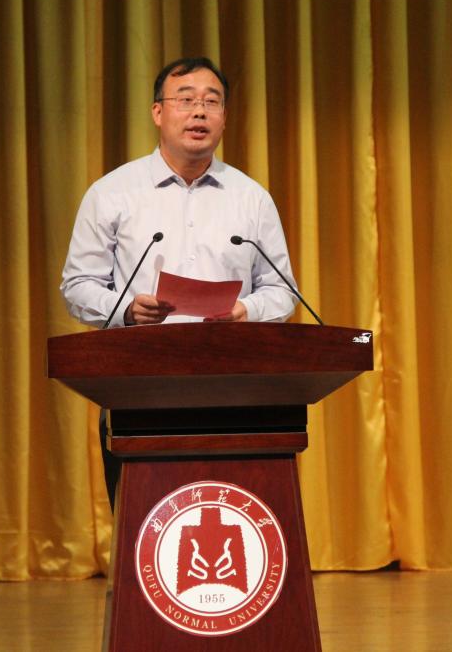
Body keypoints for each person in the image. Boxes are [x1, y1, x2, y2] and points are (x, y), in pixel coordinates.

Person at [60, 57, 298, 507]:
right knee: (146, 518)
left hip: (235, 388)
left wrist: (246, 310)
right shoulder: (112, 193)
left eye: (212, 102)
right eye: (185, 100)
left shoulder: (252, 199)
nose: (199, 112)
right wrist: (127, 310)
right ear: (158, 112)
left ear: (225, 117)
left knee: (231, 506)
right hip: (140, 387)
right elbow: (78, 285)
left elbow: (282, 290)